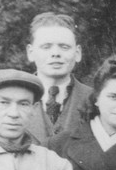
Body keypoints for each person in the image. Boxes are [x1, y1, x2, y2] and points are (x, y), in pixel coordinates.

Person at [20, 13, 94, 144]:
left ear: (77, 53)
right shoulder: (8, 98)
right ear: (31, 53)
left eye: (64, 47)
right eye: (46, 47)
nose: (55, 53)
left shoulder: (95, 100)